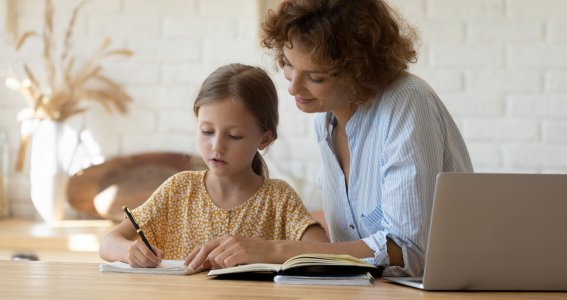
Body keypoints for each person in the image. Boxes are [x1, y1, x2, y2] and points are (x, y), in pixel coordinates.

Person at [184, 0, 473, 277]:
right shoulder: (325, 120)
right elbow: (349, 237)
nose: (293, 87)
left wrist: (276, 250)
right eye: (287, 64)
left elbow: (407, 251)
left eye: (316, 77)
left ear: (360, 70)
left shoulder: (407, 103)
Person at [99, 63, 328, 268]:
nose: (217, 146)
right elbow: (108, 243)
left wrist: (271, 252)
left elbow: (324, 253)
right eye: (207, 131)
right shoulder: (178, 189)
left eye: (235, 135)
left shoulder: (279, 198)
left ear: (265, 139)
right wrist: (130, 251)